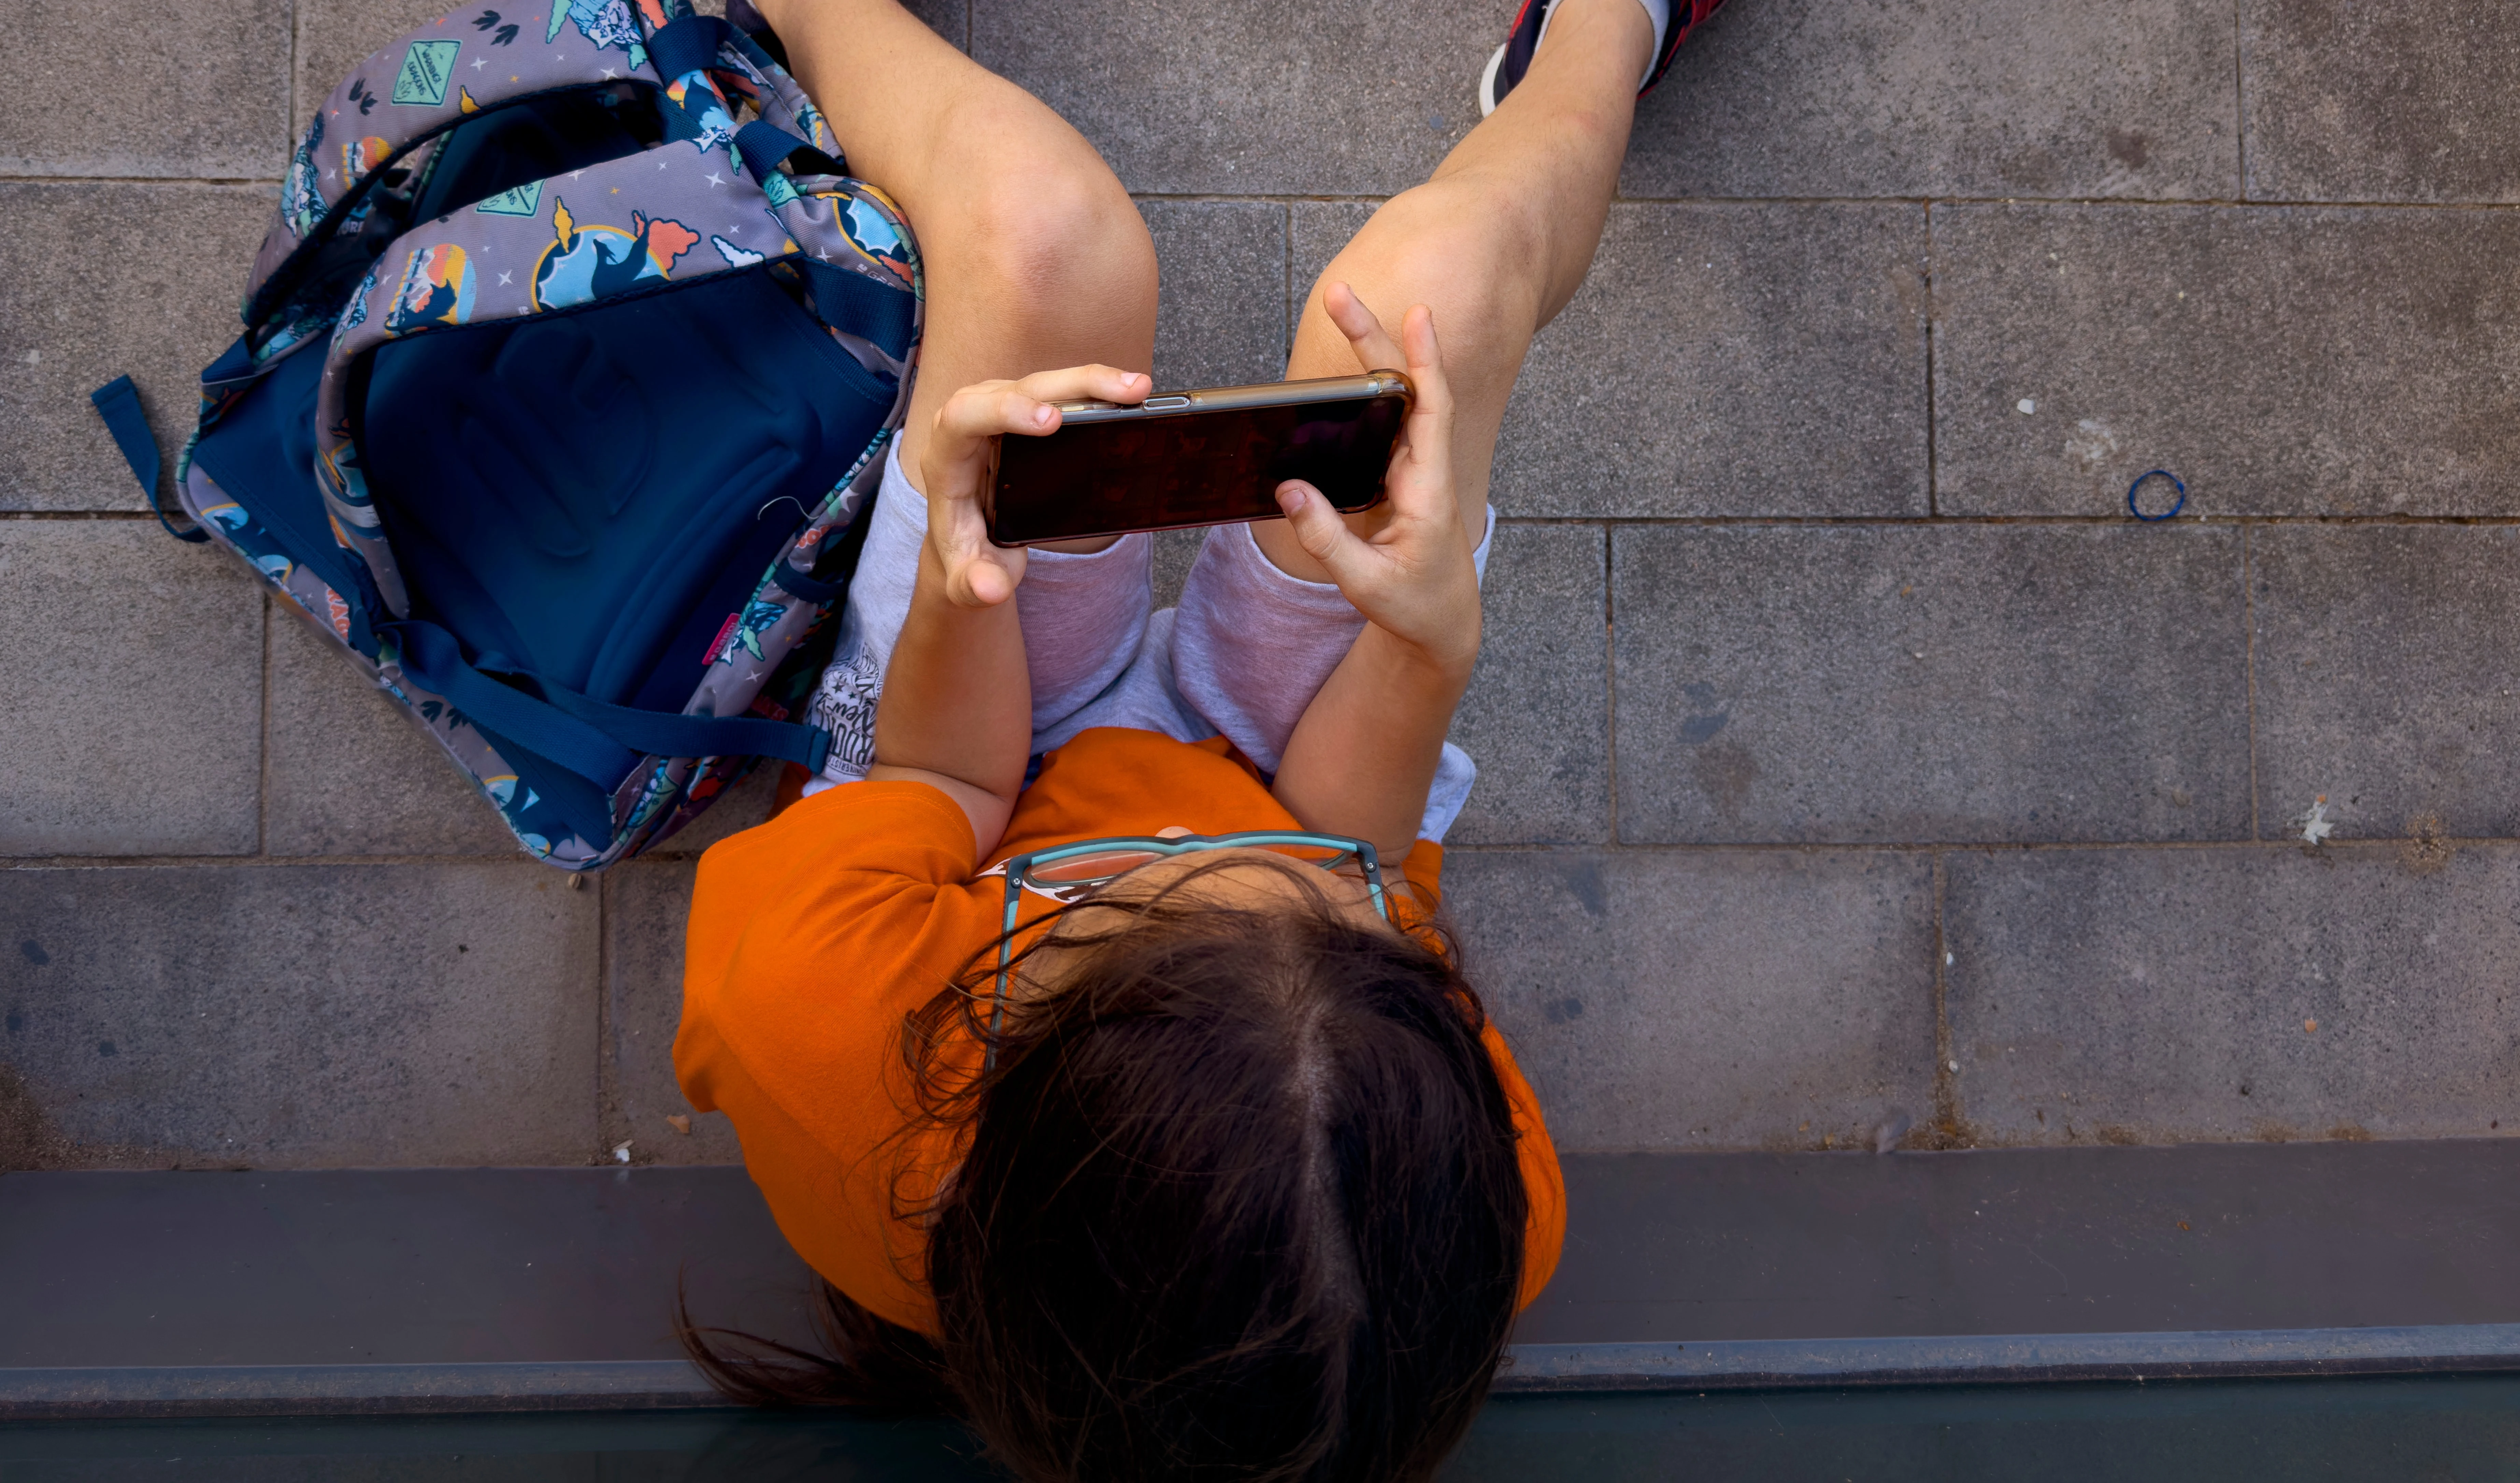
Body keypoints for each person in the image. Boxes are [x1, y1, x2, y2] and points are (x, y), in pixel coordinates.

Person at [674, 0, 1728, 1477]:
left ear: (989, 1077)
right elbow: (1352, 849)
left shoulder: (821, 1025)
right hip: (1300, 775)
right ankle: (1602, 42)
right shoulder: (1460, 1201)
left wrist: (962, 559)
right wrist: (1422, 649)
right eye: (1341, 928)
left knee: (1044, 242)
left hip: (981, 779)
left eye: (1103, 910)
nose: (1179, 847)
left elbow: (940, 778)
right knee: (1435, 298)